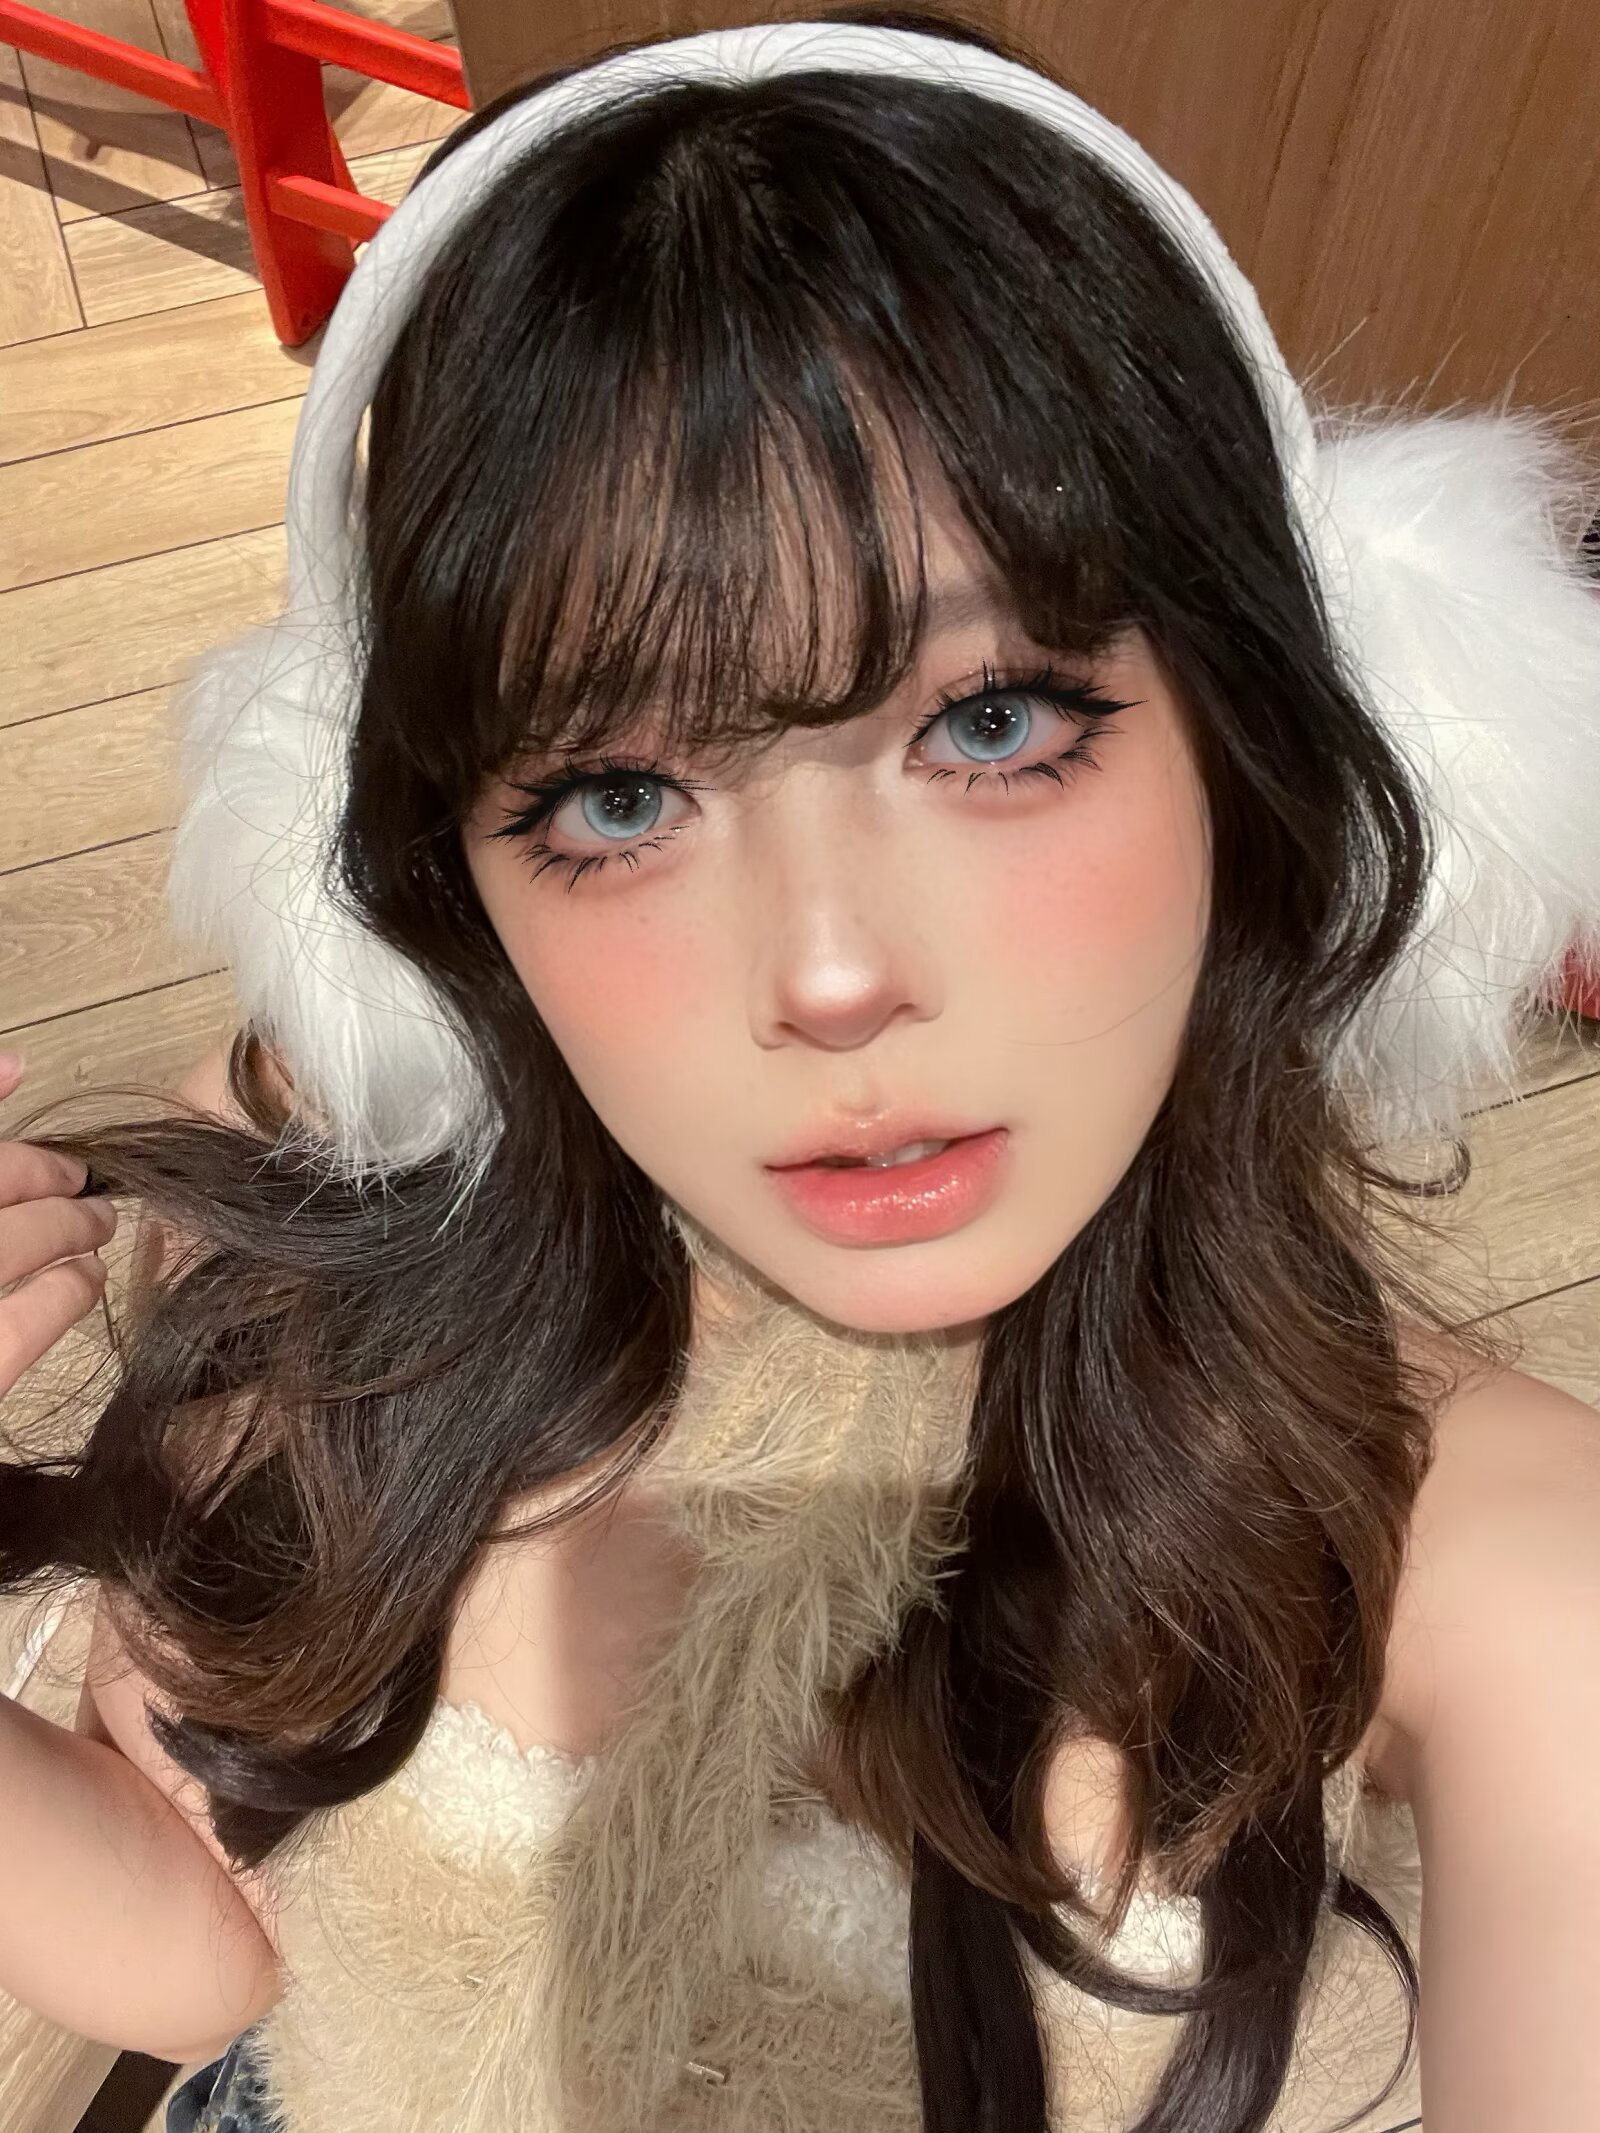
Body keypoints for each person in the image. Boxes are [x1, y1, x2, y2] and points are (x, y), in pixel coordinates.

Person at [3, 9, 1600, 2130]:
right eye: (616, 798)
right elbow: (208, 1968)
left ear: (1277, 734)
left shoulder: (1487, 1565)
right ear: (426, 914)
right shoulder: (319, 1223)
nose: (832, 975)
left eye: (993, 723)